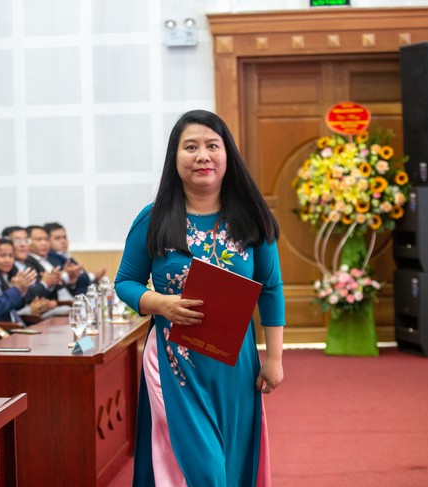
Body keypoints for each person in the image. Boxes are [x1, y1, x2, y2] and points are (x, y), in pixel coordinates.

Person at [114, 109, 285, 485]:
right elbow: (125, 282)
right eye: (190, 147)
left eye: (212, 145)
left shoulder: (252, 218)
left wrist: (274, 358)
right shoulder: (154, 218)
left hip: (234, 363)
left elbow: (271, 289)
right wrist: (160, 304)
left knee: (231, 458)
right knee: (201, 469)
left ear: (228, 156)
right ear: (175, 159)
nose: (202, 156)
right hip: (173, 360)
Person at [0, 237, 56, 318]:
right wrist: (30, 309)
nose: (7, 260)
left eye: (11, 256)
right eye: (2, 256)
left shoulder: (13, 273)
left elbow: (25, 298)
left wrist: (39, 304)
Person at [44, 221, 106, 294]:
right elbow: (75, 278)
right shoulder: (51, 257)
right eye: (57, 238)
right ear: (47, 241)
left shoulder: (65, 256)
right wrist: (93, 276)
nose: (63, 241)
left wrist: (95, 278)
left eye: (64, 237)